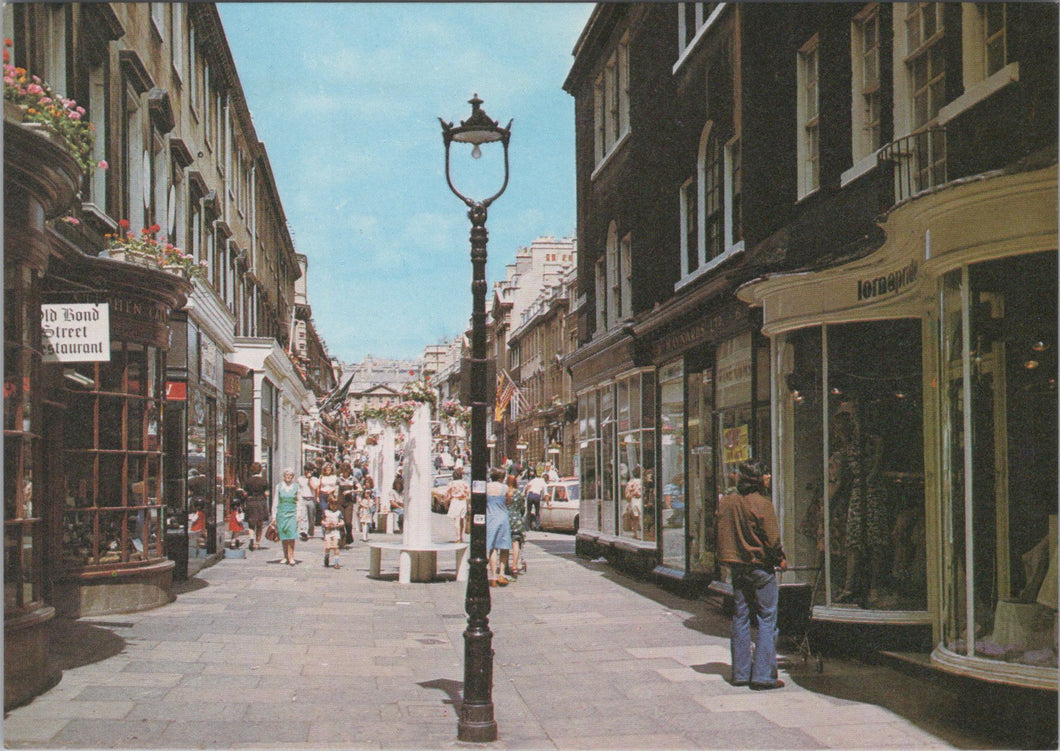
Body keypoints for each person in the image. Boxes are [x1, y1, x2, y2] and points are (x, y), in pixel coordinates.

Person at [716, 460, 787, 690]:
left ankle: (740, 672)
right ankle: (763, 675)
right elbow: (773, 540)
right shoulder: (762, 504)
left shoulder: (727, 502)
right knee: (767, 618)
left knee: (741, 617)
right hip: (760, 567)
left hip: (737, 566)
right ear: (758, 479)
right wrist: (779, 558)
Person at [485, 467, 512, 586]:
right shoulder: (505, 488)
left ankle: (493, 576)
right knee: (504, 547)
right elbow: (508, 501)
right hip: (502, 517)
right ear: (501, 477)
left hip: (490, 517)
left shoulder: (486, 487)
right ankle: (502, 573)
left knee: (493, 548)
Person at [271, 468, 300, 565]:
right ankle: (285, 556)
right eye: (287, 475)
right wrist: (274, 516)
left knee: (291, 535)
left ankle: (291, 557)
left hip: (292, 513)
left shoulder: (296, 487)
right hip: (281, 513)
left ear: (293, 477)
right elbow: (275, 501)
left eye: (290, 475)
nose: (288, 477)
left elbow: (299, 502)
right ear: (284, 476)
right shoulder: (279, 486)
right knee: (283, 535)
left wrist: (299, 514)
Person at [242, 462, 270, 550]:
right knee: (259, 524)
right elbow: (267, 493)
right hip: (261, 502)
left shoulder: (248, 481)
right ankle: (257, 543)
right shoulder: (264, 481)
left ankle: (251, 539)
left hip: (251, 502)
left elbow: (245, 493)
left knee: (251, 523)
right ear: (260, 470)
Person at [505, 473, 526, 577]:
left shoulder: (504, 493)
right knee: (516, 542)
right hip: (516, 519)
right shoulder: (518, 493)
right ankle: (514, 566)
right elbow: (522, 508)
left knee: (504, 544)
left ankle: (504, 566)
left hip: (505, 519)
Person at [446, 466, 471, 543]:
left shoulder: (451, 484)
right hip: (463, 501)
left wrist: (447, 501)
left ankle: (457, 538)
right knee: (462, 520)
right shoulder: (464, 484)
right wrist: (468, 504)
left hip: (455, 501)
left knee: (456, 520)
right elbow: (468, 494)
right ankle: (461, 536)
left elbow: (447, 494)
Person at [338, 464, 358, 549]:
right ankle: (343, 540)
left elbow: (359, 489)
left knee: (348, 522)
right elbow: (335, 488)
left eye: (347, 471)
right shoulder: (338, 479)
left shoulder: (352, 479)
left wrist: (350, 491)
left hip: (349, 502)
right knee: (341, 522)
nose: (345, 473)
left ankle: (349, 534)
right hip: (340, 501)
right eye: (344, 471)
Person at [322, 491, 344, 568]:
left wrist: (339, 524)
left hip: (335, 531)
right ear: (329, 504)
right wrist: (325, 524)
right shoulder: (326, 512)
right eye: (332, 504)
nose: (334, 506)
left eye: (335, 504)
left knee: (335, 546)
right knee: (328, 547)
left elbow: (342, 522)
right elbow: (323, 521)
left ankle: (336, 562)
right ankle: (326, 557)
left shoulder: (338, 512)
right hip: (328, 531)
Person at [317, 462, 339, 537]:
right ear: (324, 470)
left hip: (331, 495)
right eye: (327, 469)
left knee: (331, 512)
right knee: (324, 512)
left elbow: (336, 486)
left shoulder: (334, 477)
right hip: (323, 495)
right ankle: (324, 529)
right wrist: (317, 496)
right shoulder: (321, 476)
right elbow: (318, 487)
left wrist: (333, 491)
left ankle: (331, 529)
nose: (328, 470)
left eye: (330, 469)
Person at [296, 463, 316, 541]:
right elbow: (298, 490)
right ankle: (303, 531)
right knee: (303, 516)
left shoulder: (314, 479)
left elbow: (314, 487)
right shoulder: (300, 479)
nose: (308, 472)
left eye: (310, 471)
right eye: (307, 470)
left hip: (311, 499)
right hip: (303, 499)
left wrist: (310, 479)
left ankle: (310, 531)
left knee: (311, 517)